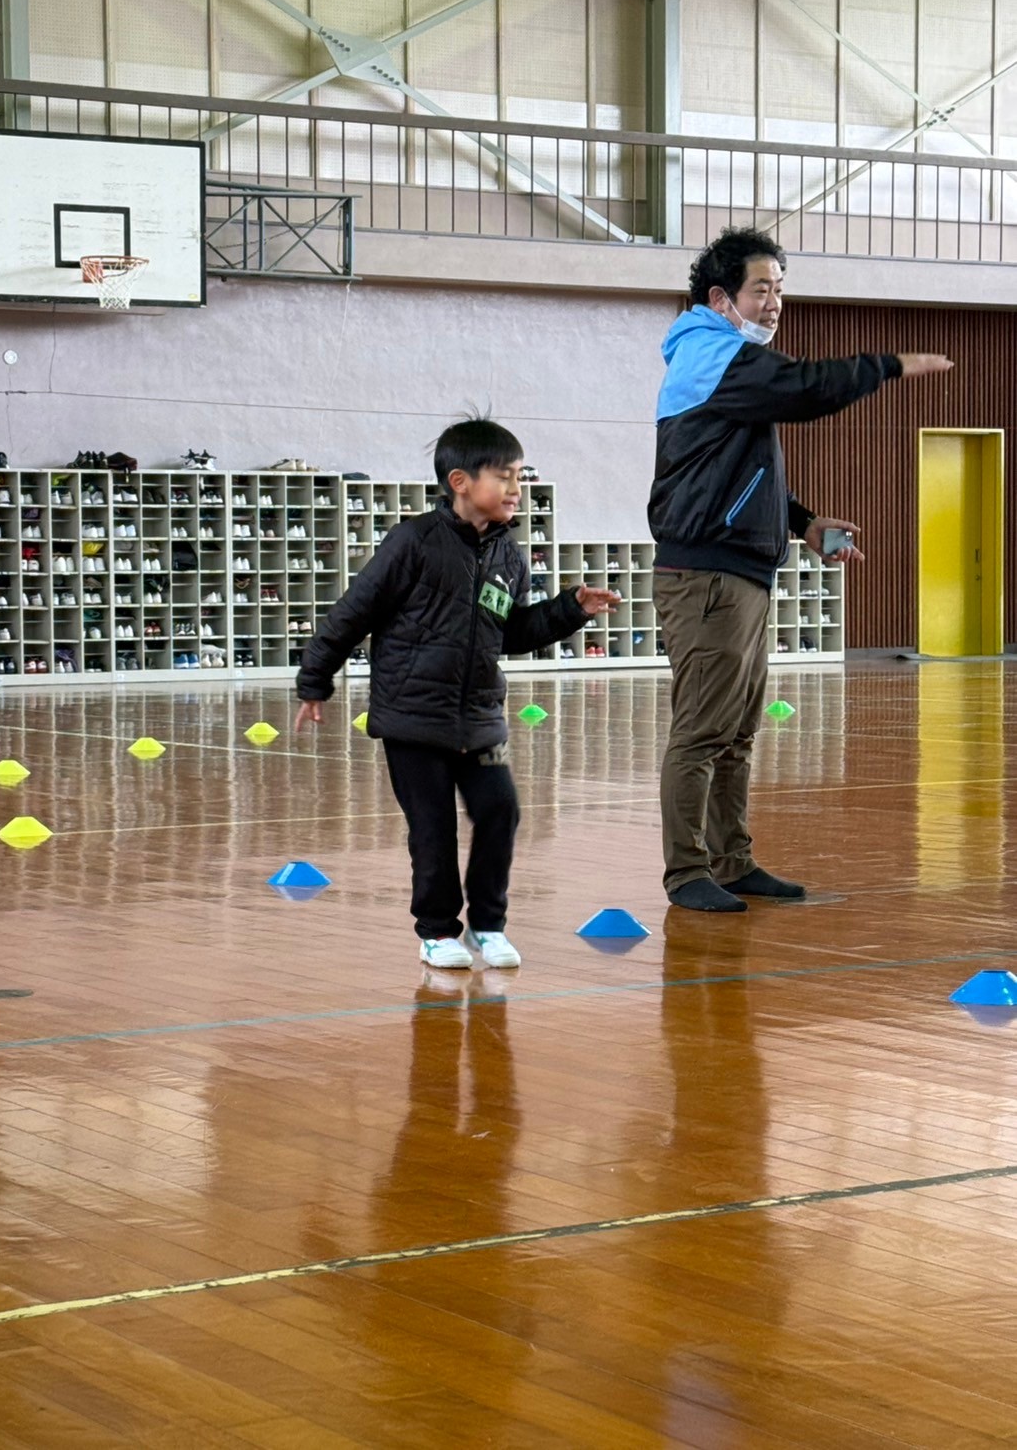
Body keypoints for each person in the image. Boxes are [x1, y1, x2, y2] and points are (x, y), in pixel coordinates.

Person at [649, 226, 953, 913]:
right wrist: (888, 364)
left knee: (737, 731)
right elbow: (807, 386)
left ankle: (731, 861)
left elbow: (736, 476)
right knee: (703, 729)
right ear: (721, 298)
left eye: (780, 289)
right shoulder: (710, 354)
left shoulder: (727, 364)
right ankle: (687, 871)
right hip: (707, 577)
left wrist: (805, 521)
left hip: (741, 575)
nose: (775, 302)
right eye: (762, 289)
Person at [295, 416, 620, 968]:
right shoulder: (413, 542)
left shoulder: (509, 556)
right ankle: (438, 932)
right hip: (412, 718)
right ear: (461, 482)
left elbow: (509, 633)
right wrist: (314, 682)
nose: (517, 489)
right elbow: (353, 613)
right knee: (433, 829)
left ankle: (488, 926)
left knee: (500, 811)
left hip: (480, 718)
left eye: (520, 476)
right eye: (504, 476)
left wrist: (570, 610)